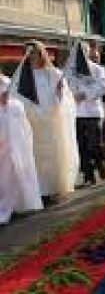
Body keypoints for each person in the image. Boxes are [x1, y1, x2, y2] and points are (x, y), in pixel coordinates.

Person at [10, 40, 80, 203]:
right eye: (29, 53)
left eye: (35, 53)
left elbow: (65, 99)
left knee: (52, 156)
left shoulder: (53, 74)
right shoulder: (22, 76)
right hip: (32, 122)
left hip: (51, 122)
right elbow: (15, 96)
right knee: (36, 157)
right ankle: (40, 190)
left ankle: (54, 188)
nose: (32, 56)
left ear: (42, 54)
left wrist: (60, 93)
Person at [0, 72, 43, 224]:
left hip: (10, 134)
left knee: (10, 172)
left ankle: (8, 207)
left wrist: (7, 102)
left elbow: (19, 105)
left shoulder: (8, 82)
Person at [65, 42, 105, 185]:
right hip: (75, 113)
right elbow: (64, 88)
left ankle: (100, 162)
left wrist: (85, 94)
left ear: (87, 53)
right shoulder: (69, 71)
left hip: (92, 113)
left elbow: (103, 87)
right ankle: (88, 175)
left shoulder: (97, 69)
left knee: (95, 144)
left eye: (82, 52)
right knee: (81, 146)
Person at [88, 42, 105, 164]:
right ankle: (98, 157)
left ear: (99, 57)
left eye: (96, 57)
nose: (94, 59)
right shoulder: (86, 71)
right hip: (91, 107)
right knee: (95, 135)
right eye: (92, 57)